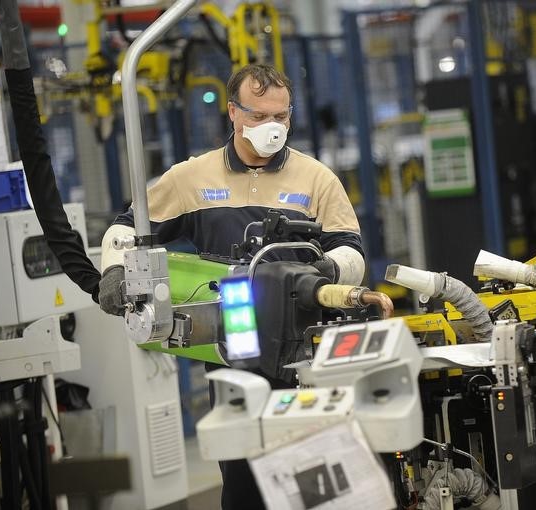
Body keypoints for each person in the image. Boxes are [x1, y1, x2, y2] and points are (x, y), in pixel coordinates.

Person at [98, 63, 366, 509]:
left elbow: (353, 253)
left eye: (281, 116)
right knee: (244, 484)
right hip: (231, 349)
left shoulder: (316, 179)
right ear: (233, 113)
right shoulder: (192, 178)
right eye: (259, 116)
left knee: (315, 478)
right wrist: (113, 271)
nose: (272, 128)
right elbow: (127, 230)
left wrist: (324, 275)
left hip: (306, 351)